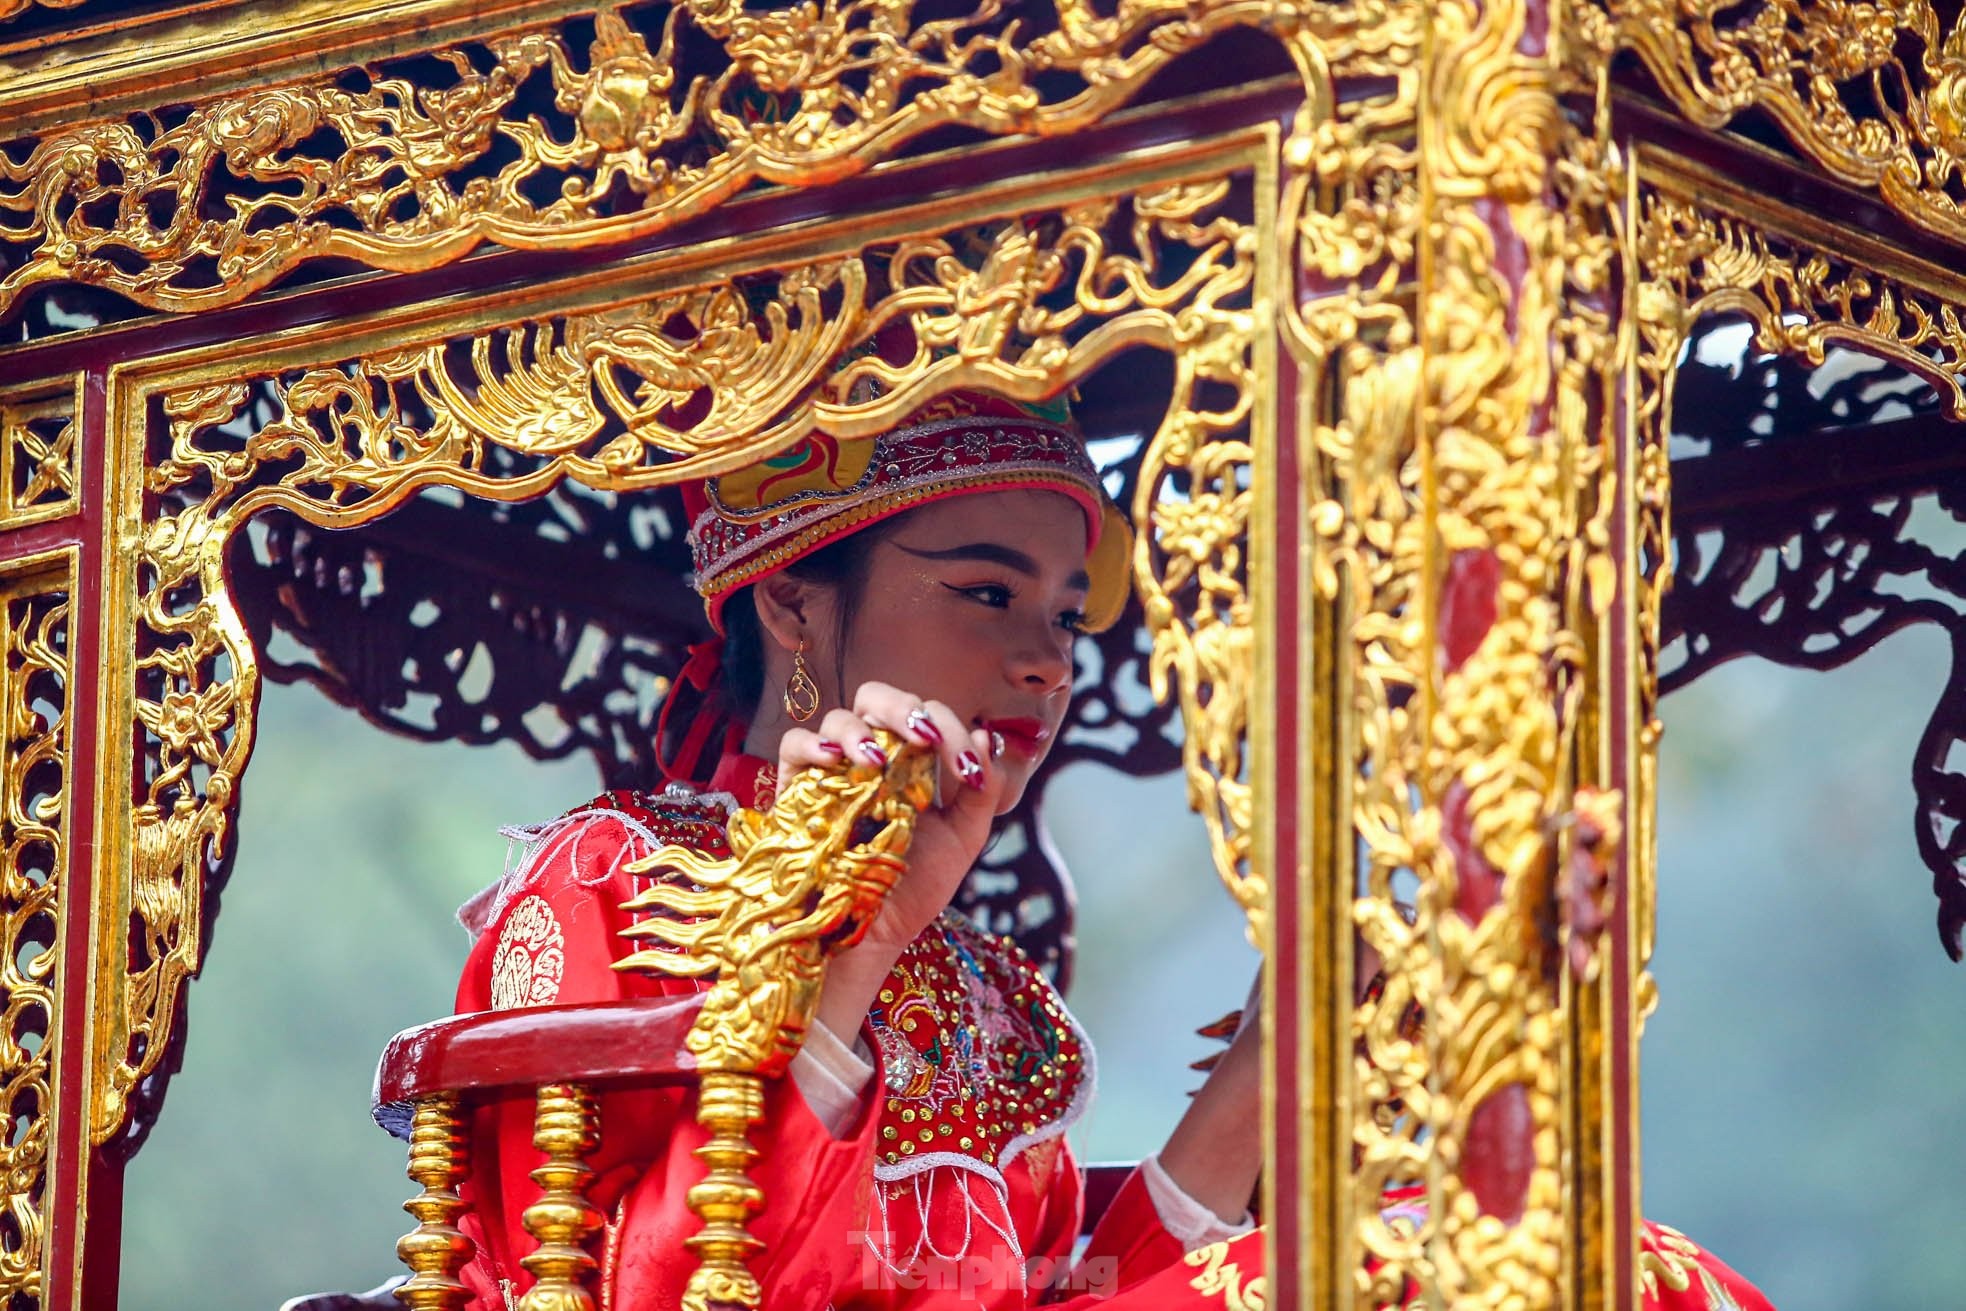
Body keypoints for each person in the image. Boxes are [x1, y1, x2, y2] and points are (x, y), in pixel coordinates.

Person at [446, 390, 1775, 1309]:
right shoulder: (609, 879)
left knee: (1581, 1255)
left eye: (1067, 617)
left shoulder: (986, 977)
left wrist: (1285, 1045)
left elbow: (1091, 1283)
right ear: (792, 597)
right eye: (984, 593)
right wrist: (846, 949)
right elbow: (652, 1291)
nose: (1043, 659)